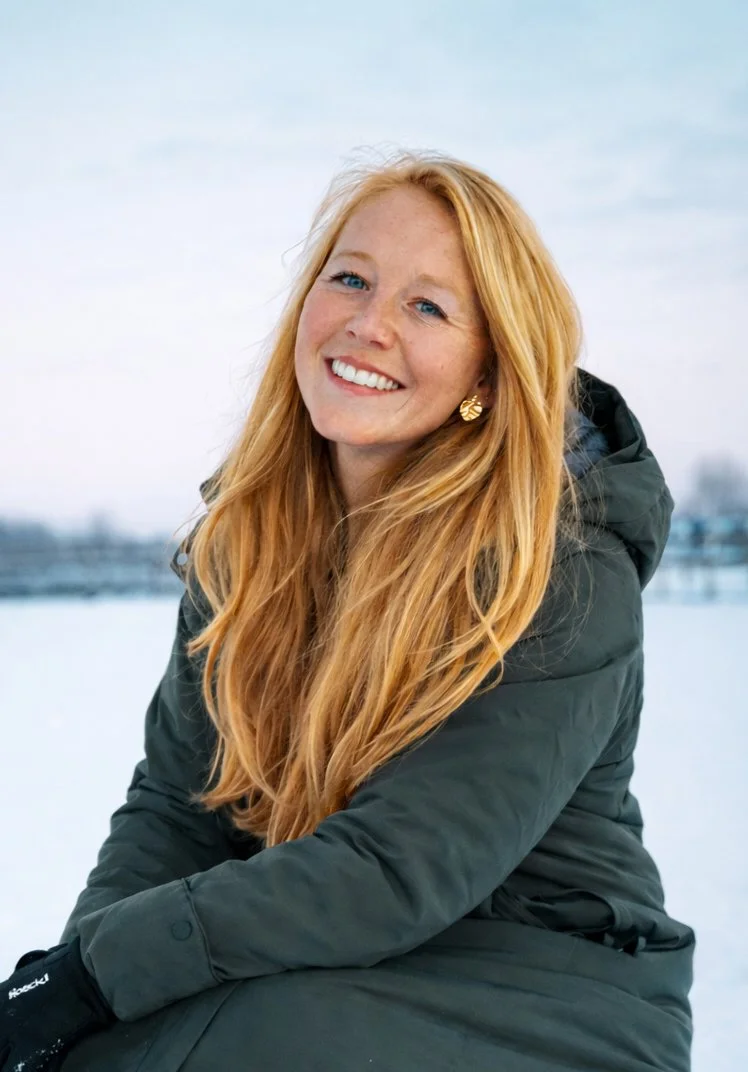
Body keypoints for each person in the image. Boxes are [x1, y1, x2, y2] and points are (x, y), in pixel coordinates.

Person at [0, 150, 696, 1072]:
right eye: (352, 279)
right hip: (323, 960)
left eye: (427, 306)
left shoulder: (559, 572)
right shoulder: (250, 543)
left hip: (551, 988)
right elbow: (177, 806)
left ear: (487, 375)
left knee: (235, 1048)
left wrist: (102, 974)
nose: (368, 325)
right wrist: (75, 1001)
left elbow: (396, 867)